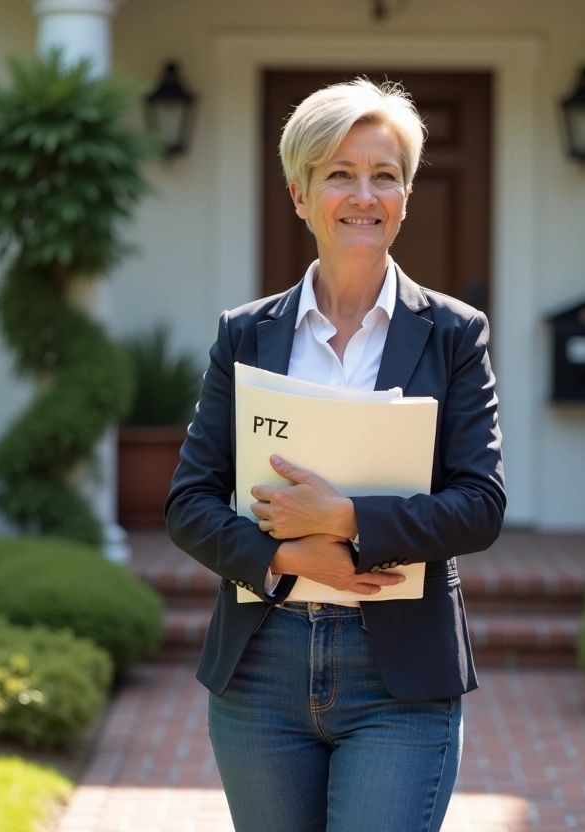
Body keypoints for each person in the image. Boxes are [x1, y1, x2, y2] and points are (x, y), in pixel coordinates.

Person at [165, 78, 505, 832]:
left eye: (385, 175)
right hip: (261, 672)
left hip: (399, 678)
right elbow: (187, 504)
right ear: (300, 193)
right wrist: (287, 559)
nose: (364, 194)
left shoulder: (453, 335)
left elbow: (481, 505)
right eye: (339, 174)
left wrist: (345, 517)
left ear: (407, 196)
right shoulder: (245, 335)